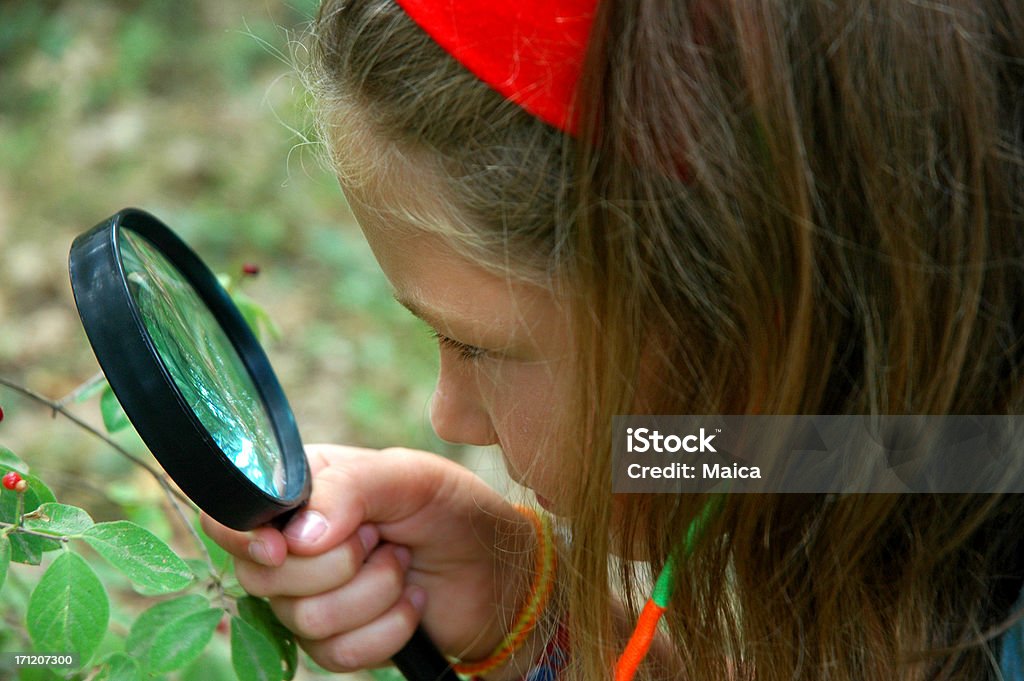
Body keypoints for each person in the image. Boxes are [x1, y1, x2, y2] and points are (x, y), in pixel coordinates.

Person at [202, 1, 1024, 679]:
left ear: (738, 294)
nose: (451, 416)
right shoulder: (938, 450)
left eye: (480, 346)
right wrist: (532, 612)